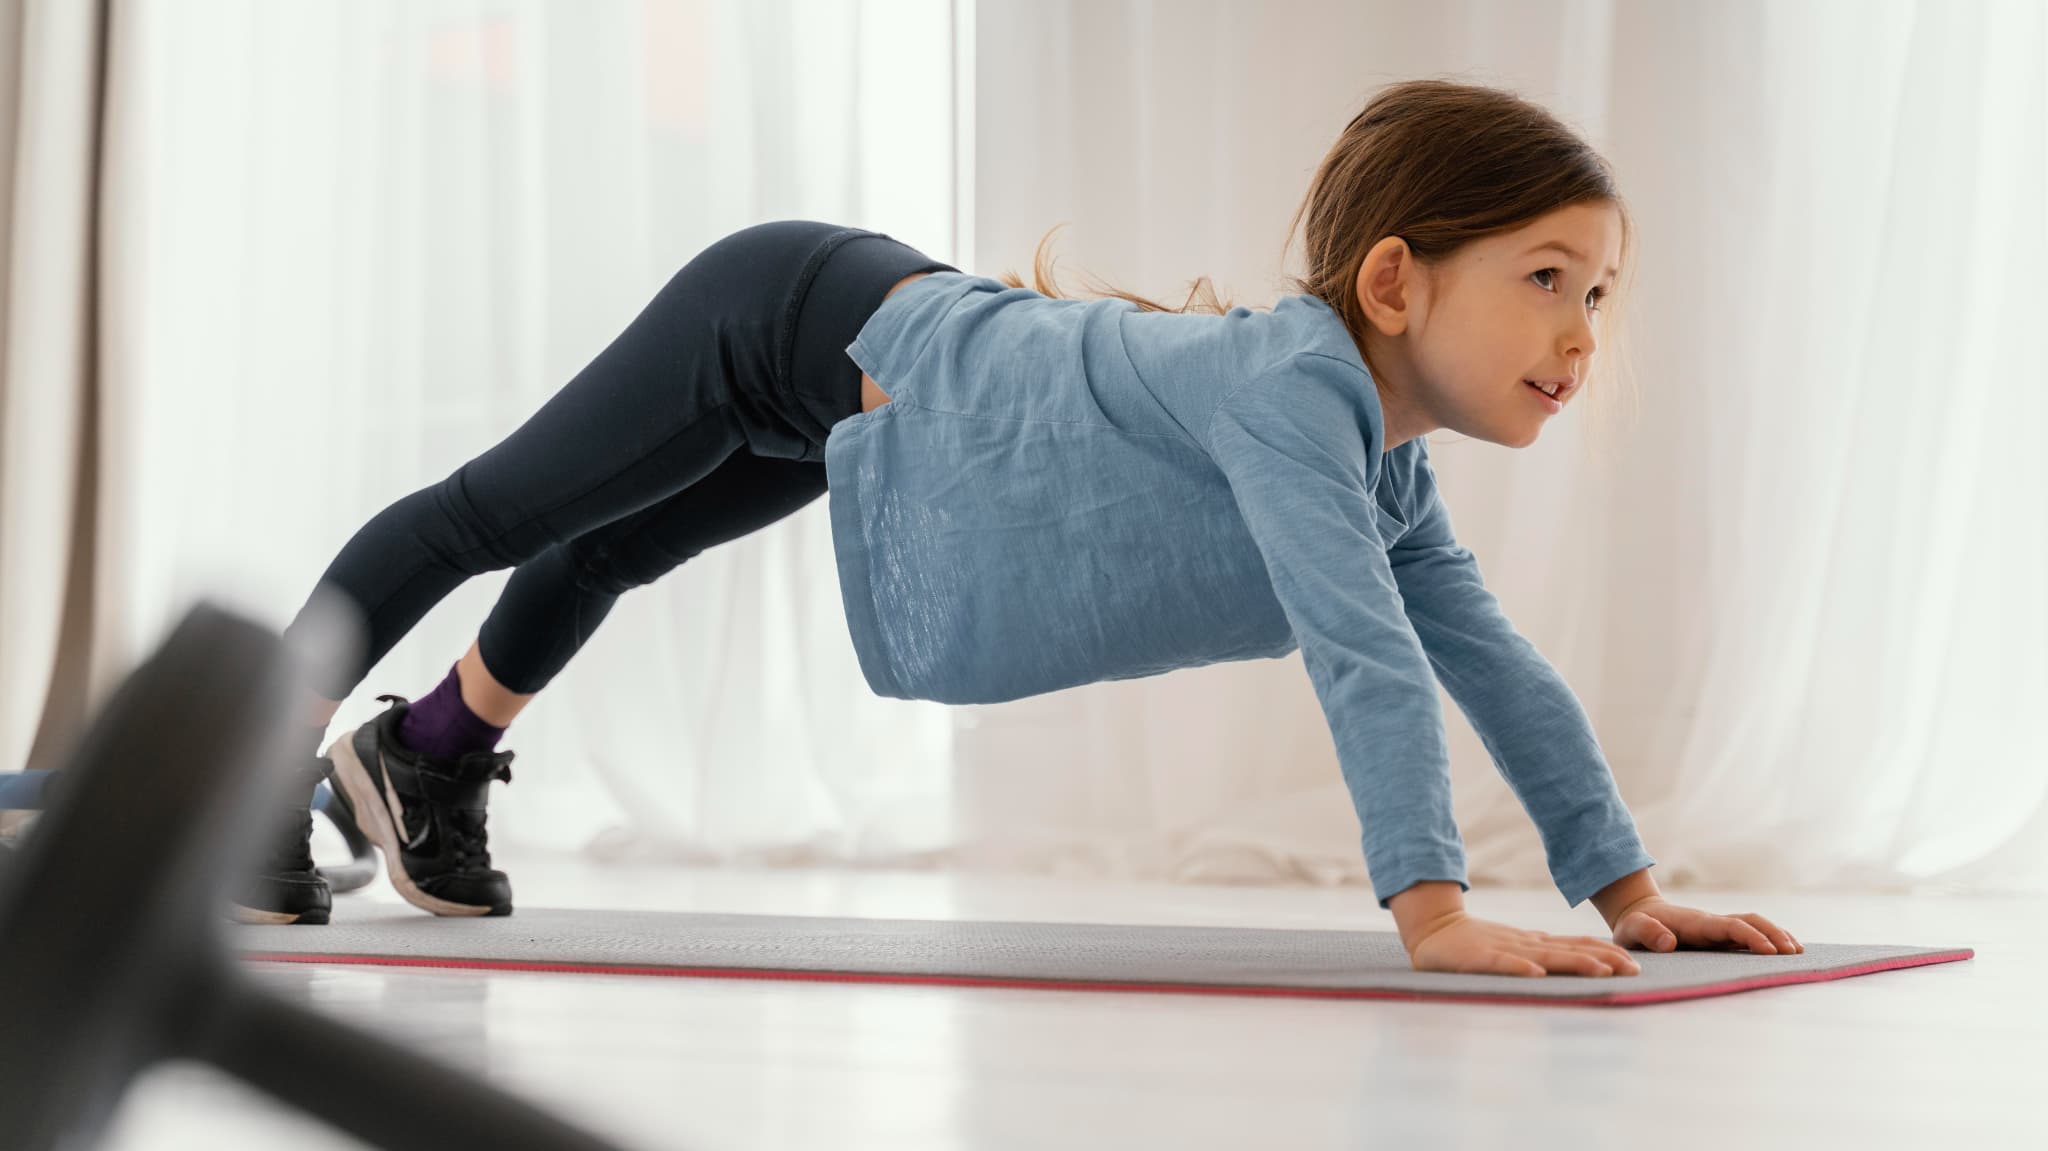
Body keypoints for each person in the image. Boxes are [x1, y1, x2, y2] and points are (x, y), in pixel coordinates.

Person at [241, 78, 1804, 979]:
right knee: (505, 512)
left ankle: (424, 755)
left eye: (1599, 294)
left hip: (877, 388)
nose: (1582, 332)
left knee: (620, 545)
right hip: (783, 310)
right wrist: (1438, 914)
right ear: (1396, 283)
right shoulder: (1288, 396)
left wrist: (1627, 891)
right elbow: (1365, 658)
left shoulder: (1382, 464)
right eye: (1545, 278)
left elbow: (1491, 661)